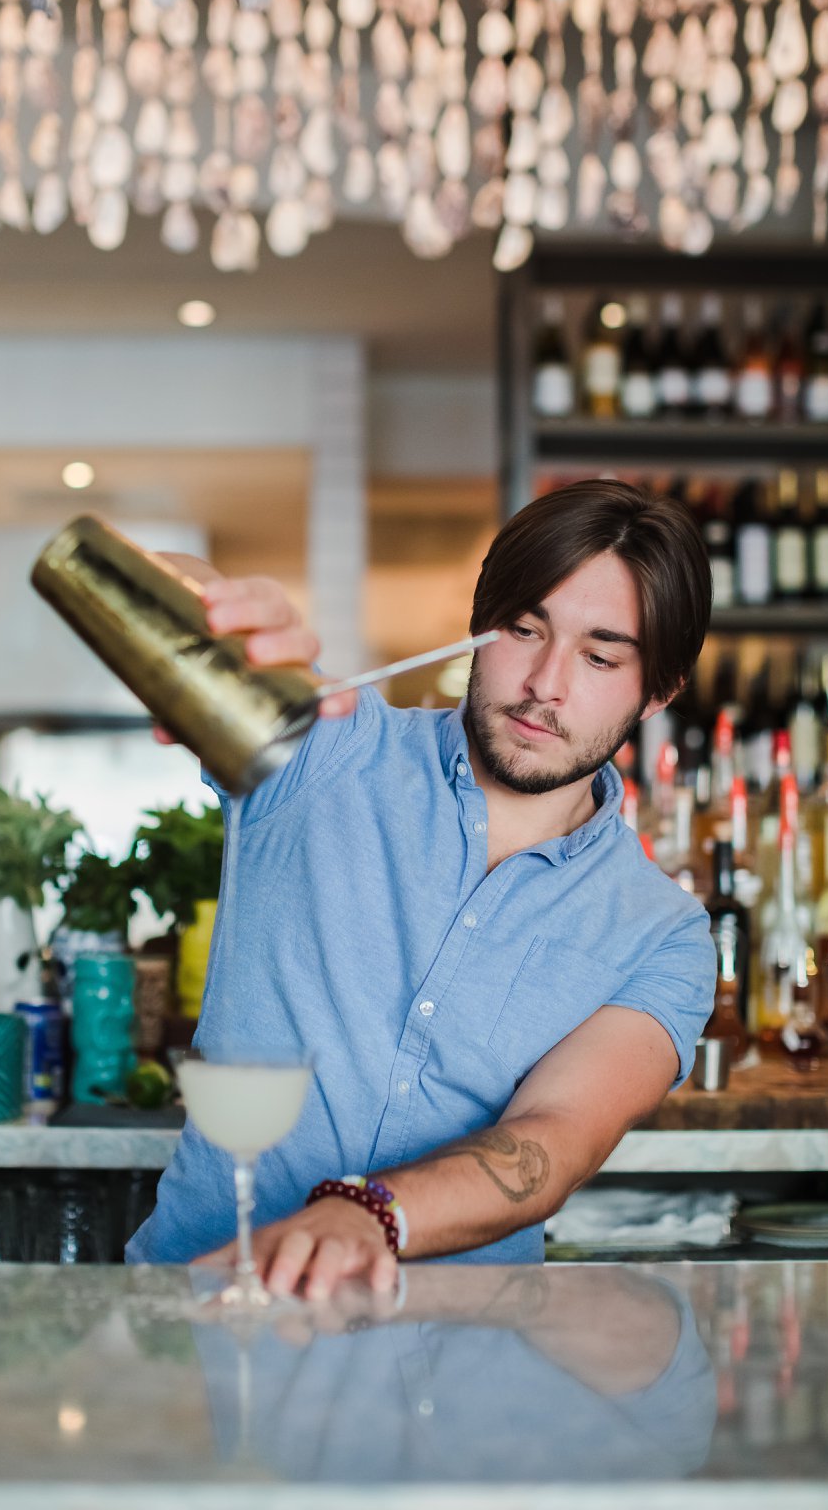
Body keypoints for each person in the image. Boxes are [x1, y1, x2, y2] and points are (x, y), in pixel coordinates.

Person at [126, 480, 716, 1295]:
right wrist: (215, 610)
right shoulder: (323, 750)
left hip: (456, 1350)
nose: (545, 682)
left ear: (659, 691)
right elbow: (155, 594)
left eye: (600, 656)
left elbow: (553, 1139)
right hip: (203, 1317)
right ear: (479, 626)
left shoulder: (661, 935)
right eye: (523, 629)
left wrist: (368, 1213)